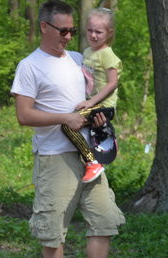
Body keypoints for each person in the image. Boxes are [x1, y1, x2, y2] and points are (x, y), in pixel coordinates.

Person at [11, 0, 126, 258]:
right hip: (54, 157)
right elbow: (24, 115)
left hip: (90, 156)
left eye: (72, 30)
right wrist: (64, 118)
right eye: (63, 30)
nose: (69, 36)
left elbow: (96, 96)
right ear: (45, 27)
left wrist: (98, 118)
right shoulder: (30, 66)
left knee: (104, 220)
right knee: (53, 228)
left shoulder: (79, 59)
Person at [60, 6, 122, 184]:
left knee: (68, 125)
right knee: (74, 123)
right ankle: (104, 135)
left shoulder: (107, 55)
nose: (93, 35)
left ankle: (92, 161)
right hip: (92, 103)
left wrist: (91, 102)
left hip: (104, 106)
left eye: (99, 32)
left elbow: (112, 83)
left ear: (109, 33)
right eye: (90, 30)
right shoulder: (87, 52)